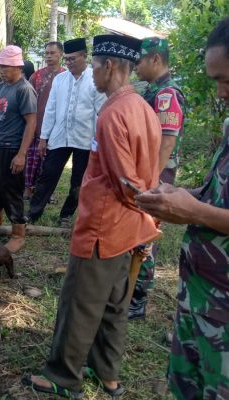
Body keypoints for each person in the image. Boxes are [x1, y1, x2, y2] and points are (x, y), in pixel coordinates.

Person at [22, 34, 161, 399]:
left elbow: (127, 183)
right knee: (115, 304)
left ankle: (64, 377)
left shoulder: (113, 112)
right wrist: (146, 224)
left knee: (80, 302)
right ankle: (107, 374)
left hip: (103, 226)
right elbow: (150, 174)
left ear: (110, 66)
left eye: (96, 66)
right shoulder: (142, 108)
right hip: (128, 230)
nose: (93, 74)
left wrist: (146, 215)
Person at [135, 18, 229, 399]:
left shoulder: (168, 94)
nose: (221, 93)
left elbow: (168, 140)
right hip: (200, 296)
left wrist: (192, 211)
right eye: (217, 82)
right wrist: (182, 193)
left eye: (227, 80)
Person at [128, 36, 186, 320]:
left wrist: (151, 180)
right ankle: (130, 289)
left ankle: (137, 299)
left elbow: (166, 141)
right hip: (146, 170)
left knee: (145, 235)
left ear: (155, 59)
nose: (136, 66)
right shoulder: (153, 90)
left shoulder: (167, 95)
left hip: (156, 172)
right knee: (136, 231)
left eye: (139, 60)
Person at [27, 38, 107, 227]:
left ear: (84, 57)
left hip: (85, 139)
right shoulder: (60, 79)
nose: (69, 63)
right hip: (59, 137)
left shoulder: (95, 80)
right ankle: (33, 212)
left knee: (79, 180)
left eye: (73, 59)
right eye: (67, 59)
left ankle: (66, 215)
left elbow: (100, 113)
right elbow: (51, 110)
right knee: (48, 175)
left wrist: (97, 143)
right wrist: (44, 137)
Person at [0, 45, 37, 253]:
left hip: (12, 148)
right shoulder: (2, 87)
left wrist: (21, 154)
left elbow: (31, 122)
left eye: (5, 66)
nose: (2, 70)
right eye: (0, 66)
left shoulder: (25, 89)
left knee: (11, 191)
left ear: (17, 66)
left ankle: (18, 234)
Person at [24, 42, 65, 200]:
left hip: (55, 127)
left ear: (60, 55)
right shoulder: (36, 76)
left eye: (52, 53)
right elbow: (29, 100)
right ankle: (28, 188)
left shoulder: (65, 77)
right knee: (31, 158)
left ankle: (47, 192)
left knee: (50, 163)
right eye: (46, 53)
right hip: (36, 123)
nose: (48, 56)